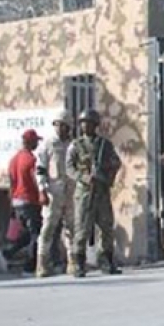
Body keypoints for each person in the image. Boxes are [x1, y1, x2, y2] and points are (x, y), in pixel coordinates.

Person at [66, 109, 122, 277]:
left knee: (106, 227)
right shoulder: (75, 146)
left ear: (95, 125)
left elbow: (116, 163)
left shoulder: (105, 145)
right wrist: (83, 177)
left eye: (89, 123)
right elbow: (69, 168)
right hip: (84, 192)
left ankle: (106, 260)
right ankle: (79, 263)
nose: (86, 126)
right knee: (82, 228)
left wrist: (107, 177)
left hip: (102, 192)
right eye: (83, 123)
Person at [0, 129, 43, 274]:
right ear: (29, 142)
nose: (37, 144)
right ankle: (29, 266)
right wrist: (42, 195)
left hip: (17, 201)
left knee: (27, 235)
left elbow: (12, 181)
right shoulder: (31, 160)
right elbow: (36, 181)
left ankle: (6, 253)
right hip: (30, 200)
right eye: (35, 141)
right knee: (35, 235)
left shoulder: (13, 159)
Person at [35, 108, 76, 277]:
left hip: (70, 192)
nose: (60, 128)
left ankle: (73, 262)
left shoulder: (73, 145)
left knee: (72, 228)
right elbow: (40, 169)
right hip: (53, 192)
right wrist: (42, 190)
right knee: (48, 228)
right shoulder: (48, 144)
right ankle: (42, 263)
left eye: (63, 125)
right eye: (57, 125)